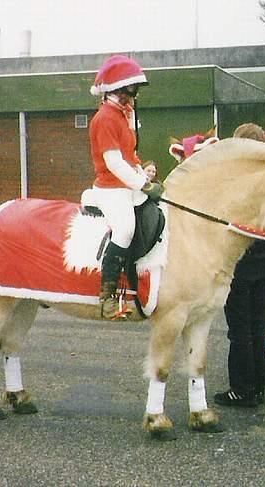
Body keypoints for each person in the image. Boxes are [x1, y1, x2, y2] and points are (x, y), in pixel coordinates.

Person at [89, 54, 163, 320]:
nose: (133, 97)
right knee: (125, 228)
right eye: (130, 92)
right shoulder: (105, 118)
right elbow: (114, 163)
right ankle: (107, 296)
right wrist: (143, 184)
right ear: (116, 90)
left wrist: (145, 178)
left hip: (128, 183)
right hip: (110, 187)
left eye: (134, 93)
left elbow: (130, 156)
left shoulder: (122, 115)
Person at [214, 123, 265, 408]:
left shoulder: (234, 179)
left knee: (239, 328)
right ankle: (260, 383)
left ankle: (241, 389)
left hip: (241, 261)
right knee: (258, 324)